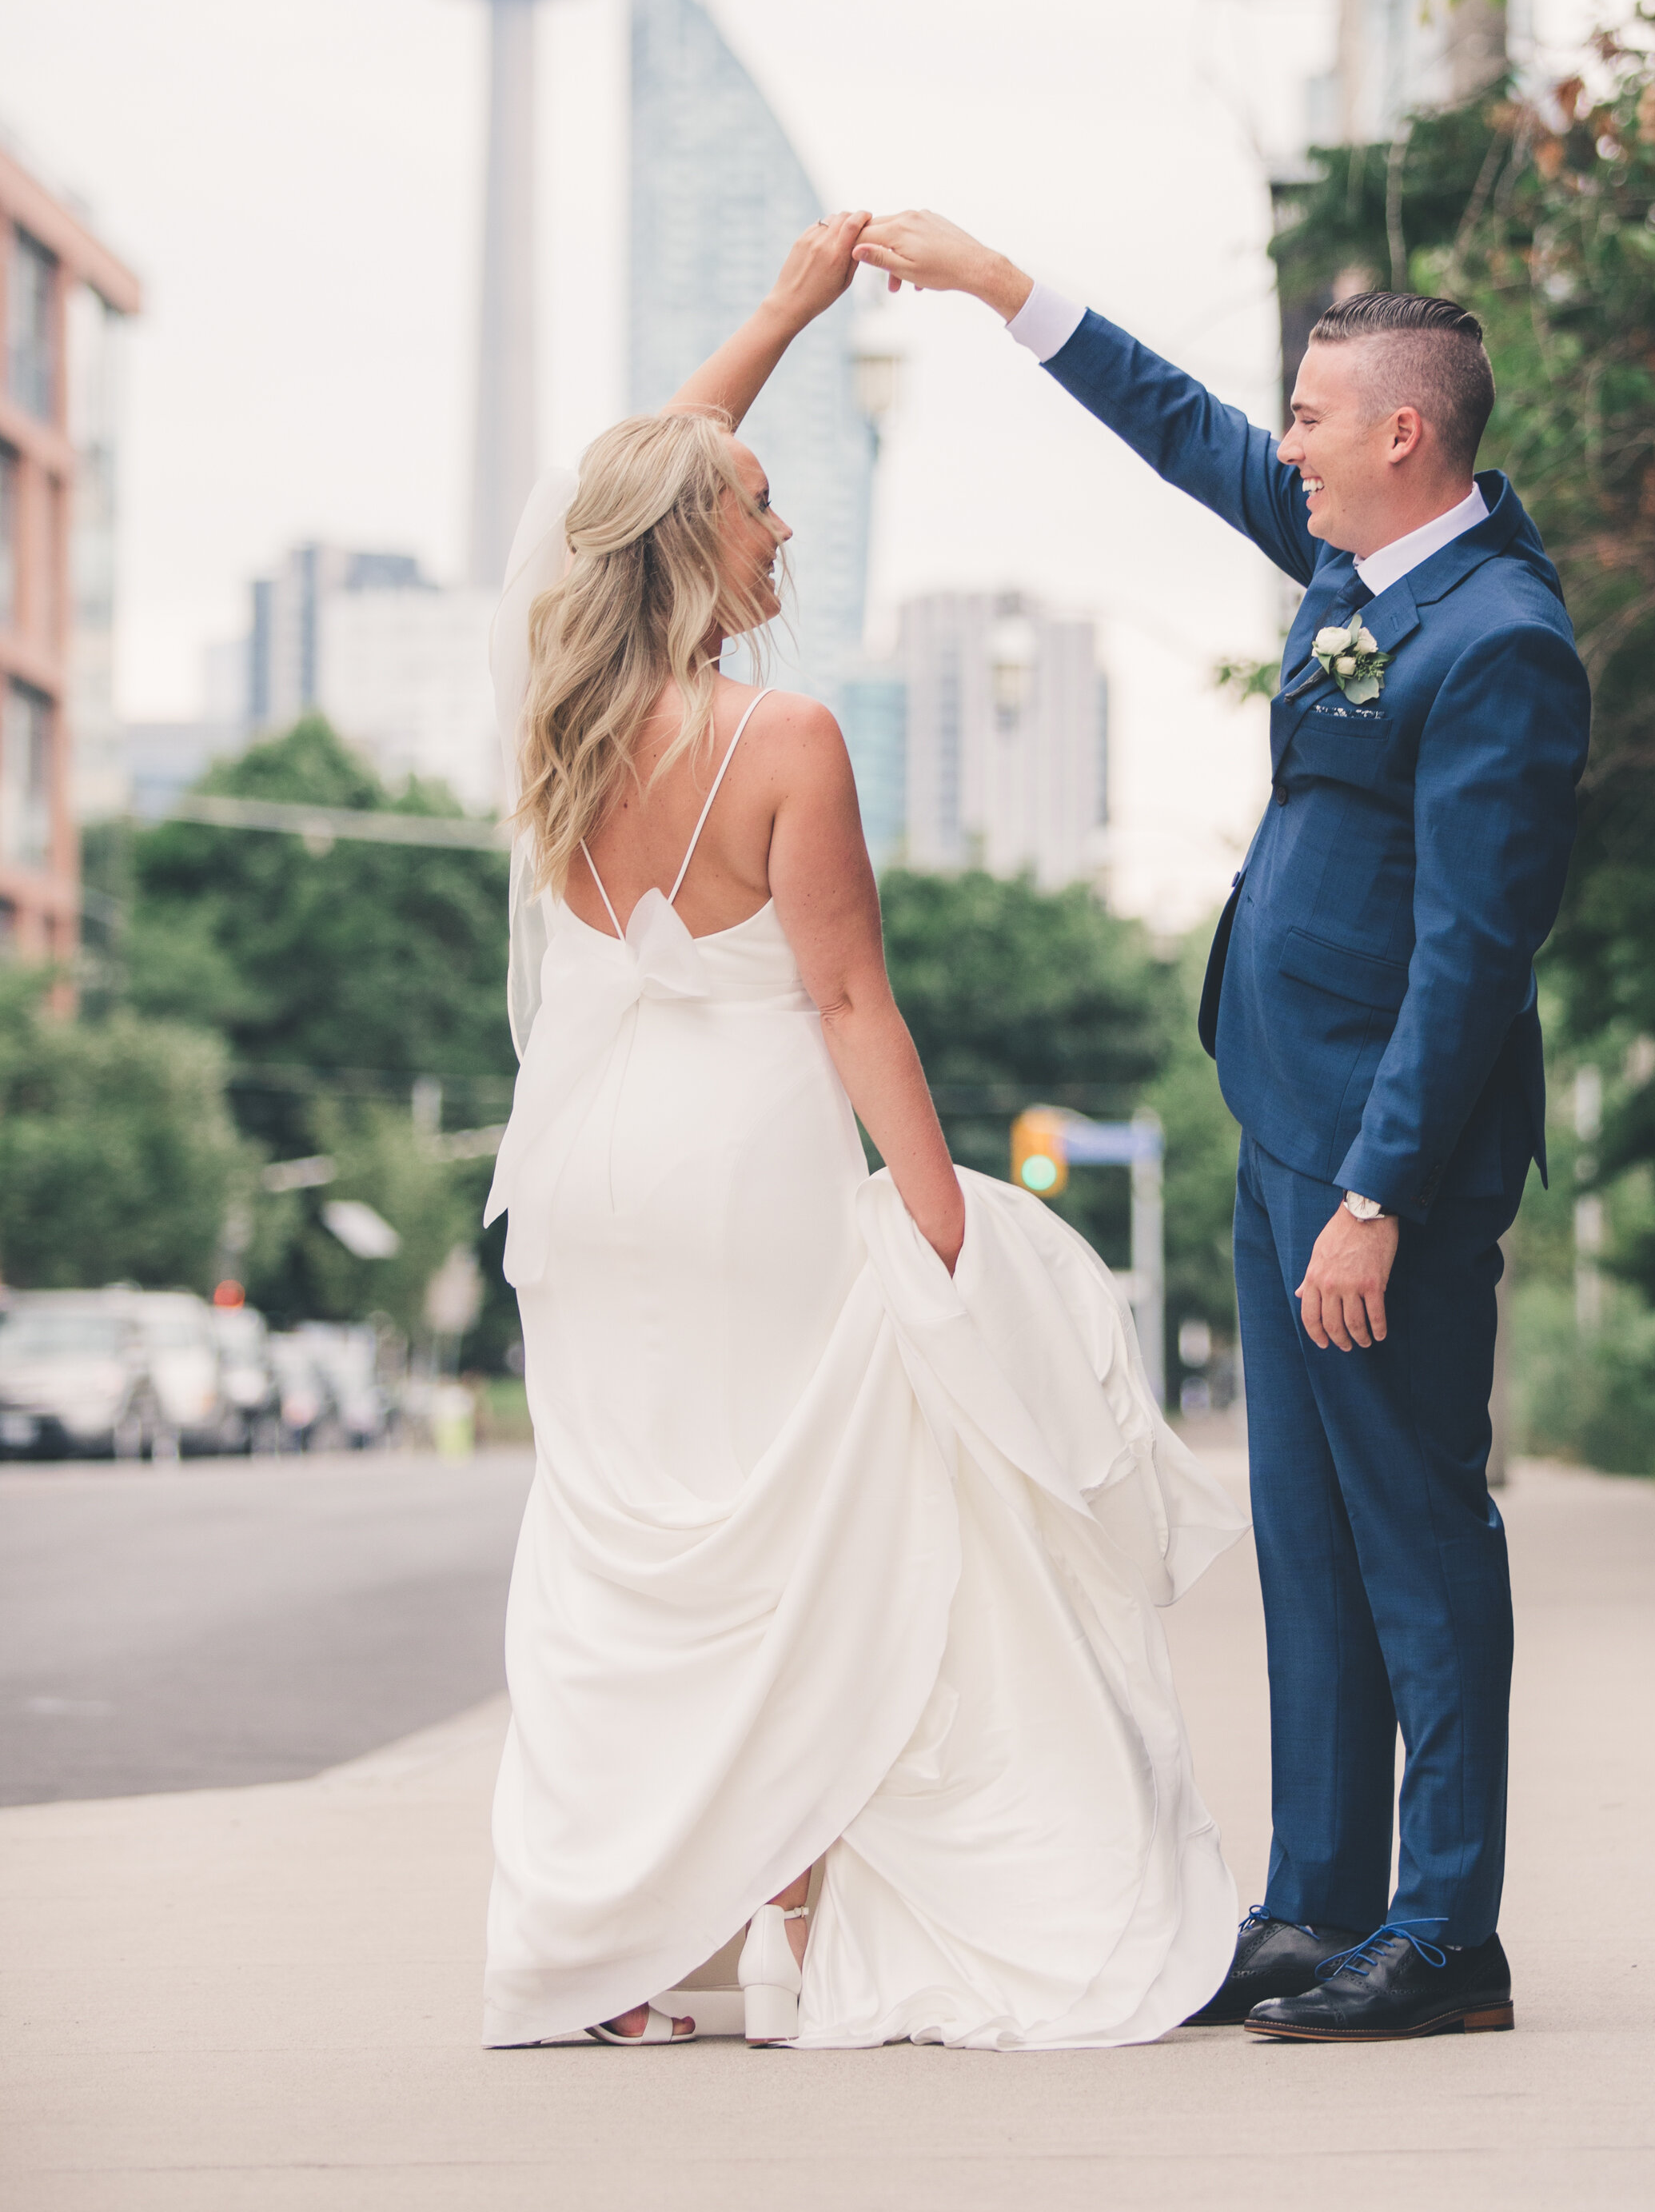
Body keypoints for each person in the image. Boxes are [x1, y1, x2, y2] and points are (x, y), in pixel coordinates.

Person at [479, 211, 1245, 2054]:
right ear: (700, 545)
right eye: (757, 506)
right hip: (749, 1178)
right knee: (801, 1546)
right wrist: (941, 1221)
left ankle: (601, 1957)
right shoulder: (789, 740)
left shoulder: (552, 715)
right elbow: (848, 1009)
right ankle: (790, 1929)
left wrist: (778, 316)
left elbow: (619, 496)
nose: (785, 526)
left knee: (622, 1554)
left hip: (584, 1188)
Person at [851, 210, 1590, 2046]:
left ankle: (1447, 1932)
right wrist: (993, 283)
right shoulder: (1359, 573)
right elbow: (1179, 427)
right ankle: (1314, 1901)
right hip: (1279, 1125)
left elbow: (1472, 958)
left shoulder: (1496, 640)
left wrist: (1378, 1197)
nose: (1291, 439)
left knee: (1417, 1536)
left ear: (1406, 434)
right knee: (1303, 1538)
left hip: (1375, 1177)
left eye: (1318, 414)